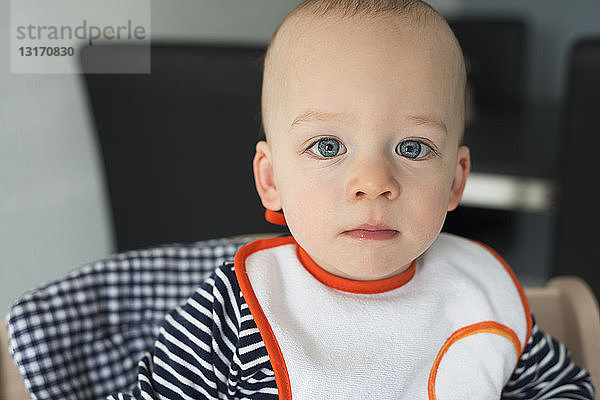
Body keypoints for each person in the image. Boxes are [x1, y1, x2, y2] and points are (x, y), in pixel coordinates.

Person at [109, 0, 594, 398]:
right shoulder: (233, 313)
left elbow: (564, 387)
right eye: (328, 147)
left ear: (454, 182)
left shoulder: (481, 294)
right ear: (272, 179)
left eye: (412, 148)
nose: (374, 182)